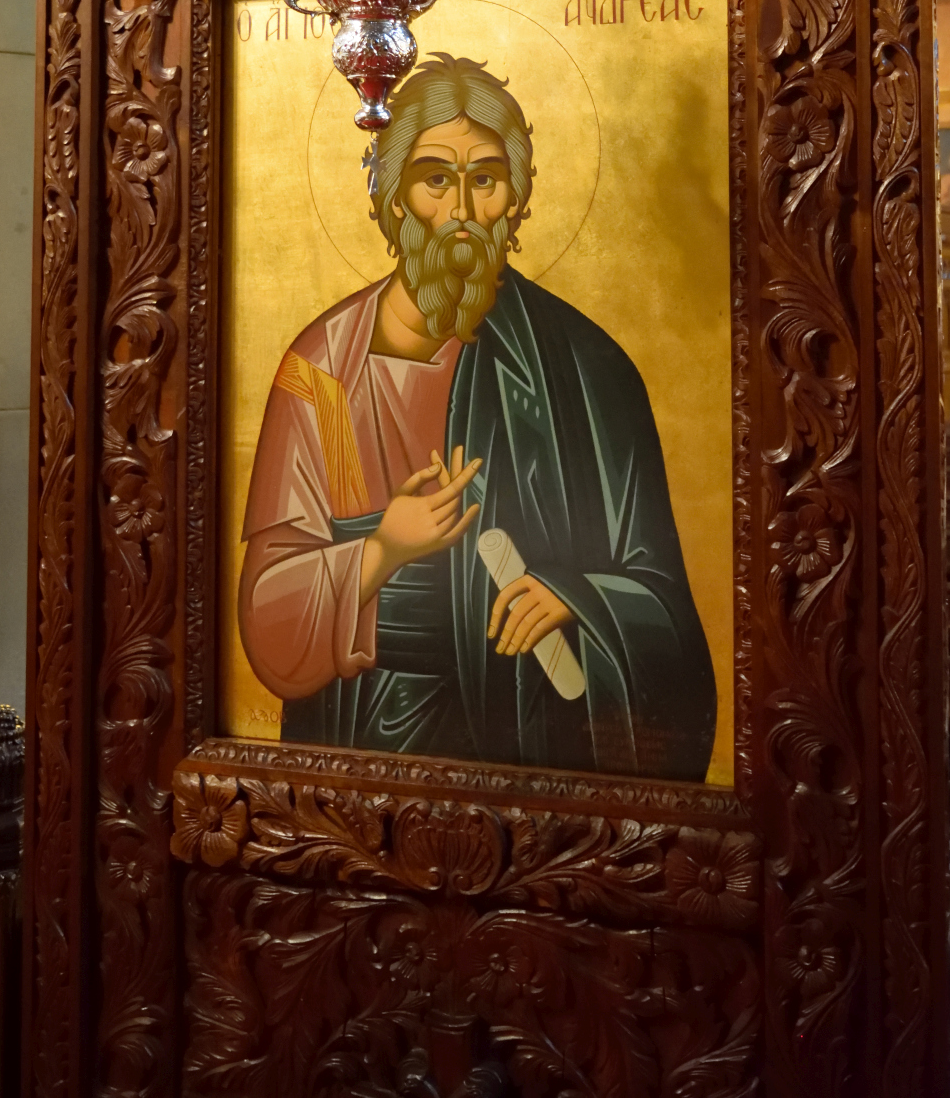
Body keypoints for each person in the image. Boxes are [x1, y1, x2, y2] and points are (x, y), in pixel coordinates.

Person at [238, 54, 717, 781]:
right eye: (435, 178)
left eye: (484, 179)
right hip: (360, 752)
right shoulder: (327, 372)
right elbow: (267, 617)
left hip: (533, 740)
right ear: (394, 197)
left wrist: (576, 597)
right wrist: (382, 551)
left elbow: (662, 603)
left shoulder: (587, 371)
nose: (461, 207)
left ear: (515, 200)